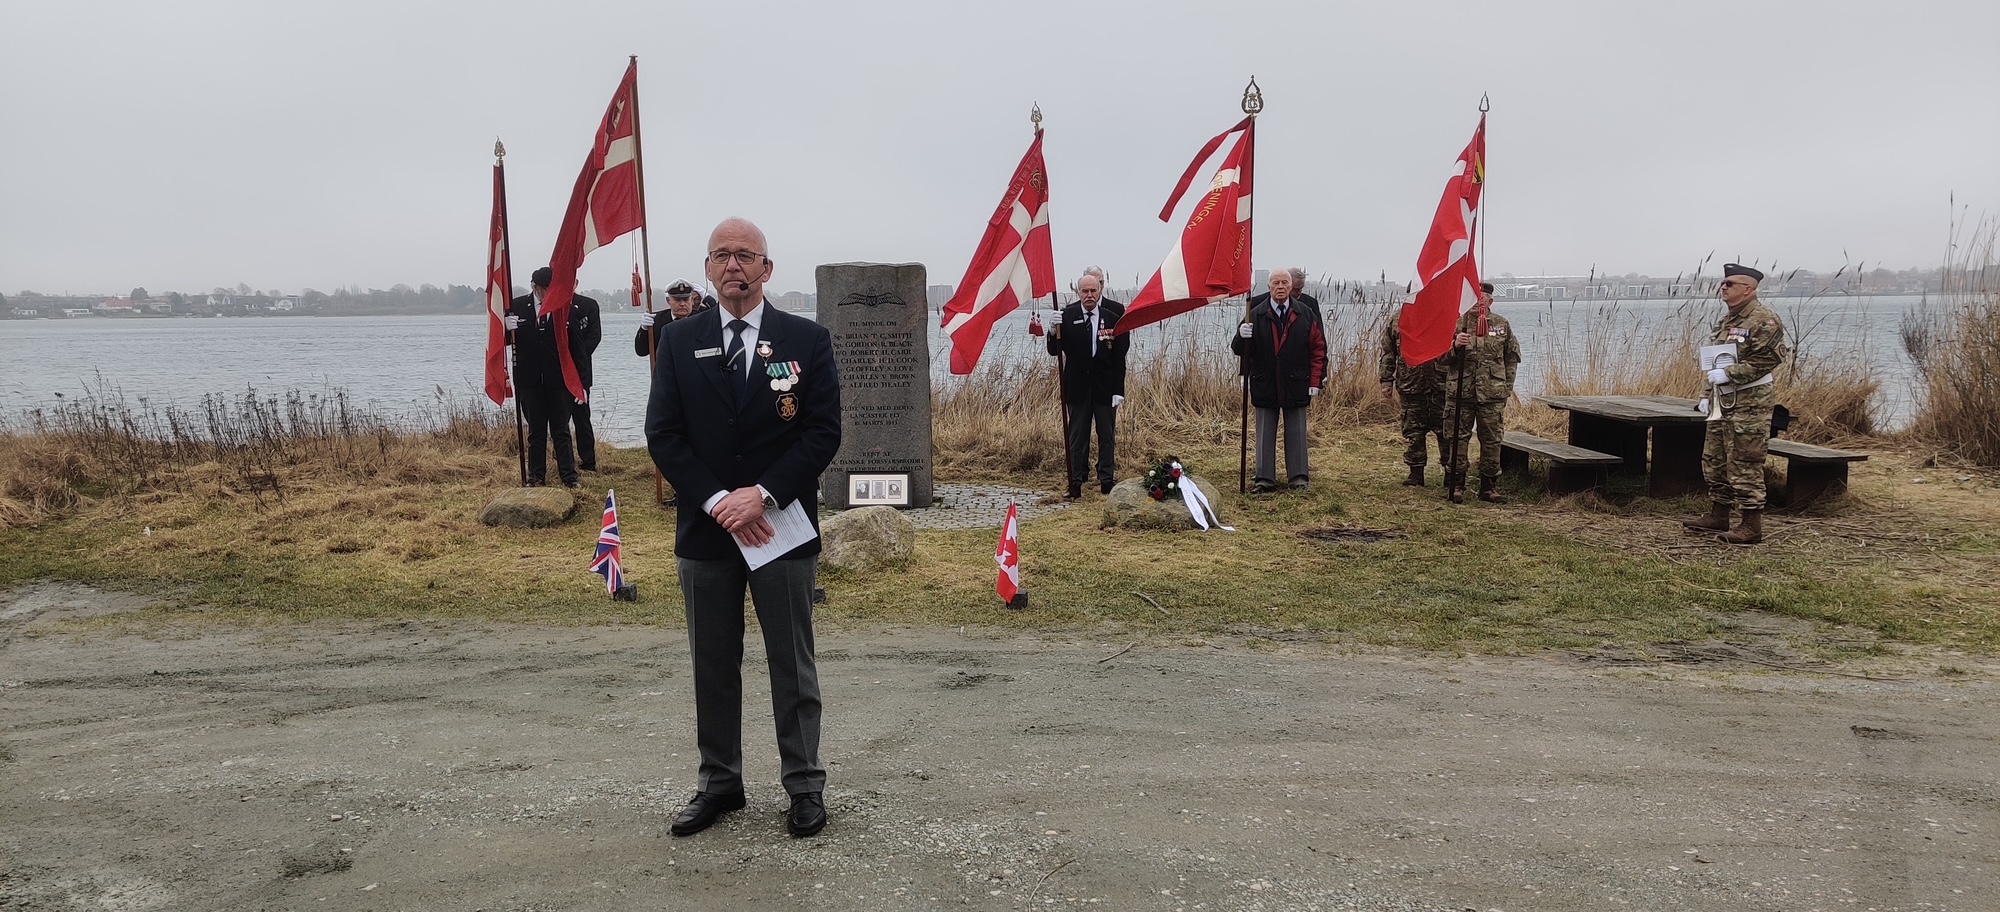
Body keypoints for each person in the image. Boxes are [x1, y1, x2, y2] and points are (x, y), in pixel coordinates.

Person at [645, 218, 841, 839]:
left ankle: (804, 785)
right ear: (707, 269)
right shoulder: (678, 341)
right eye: (722, 255)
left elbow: (822, 432)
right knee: (712, 662)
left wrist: (762, 495)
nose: (733, 265)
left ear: (766, 269)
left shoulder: (807, 340)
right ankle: (719, 783)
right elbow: (664, 435)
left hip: (780, 527)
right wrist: (716, 501)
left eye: (746, 256)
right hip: (707, 532)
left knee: (792, 663)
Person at [1681, 263, 1787, 544]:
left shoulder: (1764, 320)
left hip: (1750, 403)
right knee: (1714, 459)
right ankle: (1719, 514)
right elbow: (1714, 362)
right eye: (1723, 283)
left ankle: (1751, 524)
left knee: (1744, 460)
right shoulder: (1728, 320)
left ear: (1748, 289)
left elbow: (1768, 360)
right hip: (1722, 400)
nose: (1723, 288)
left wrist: (1731, 374)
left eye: (1730, 284)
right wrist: (1706, 394)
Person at [1231, 269, 1326, 493]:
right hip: (1265, 381)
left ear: (1291, 287)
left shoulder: (1305, 314)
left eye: (1284, 283)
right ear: (1269, 287)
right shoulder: (1255, 314)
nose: (1280, 287)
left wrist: (1316, 381)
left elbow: (1318, 349)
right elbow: (1239, 349)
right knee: (1264, 432)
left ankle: (1299, 478)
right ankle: (1264, 479)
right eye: (1276, 283)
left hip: (1296, 381)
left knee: (1297, 431)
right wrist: (1241, 335)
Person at [506, 267, 591, 488]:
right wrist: (506, 330)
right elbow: (503, 341)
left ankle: (569, 476)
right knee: (536, 432)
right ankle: (536, 477)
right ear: (535, 288)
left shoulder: (565, 308)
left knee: (561, 430)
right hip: (529, 380)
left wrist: (582, 383)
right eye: (544, 290)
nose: (548, 294)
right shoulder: (516, 307)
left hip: (559, 380)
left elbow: (578, 349)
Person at [1046, 270, 1128, 498]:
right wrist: (1051, 331)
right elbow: (1054, 351)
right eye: (1085, 291)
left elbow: (1119, 358)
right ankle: (1075, 483)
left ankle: (1107, 480)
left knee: (1107, 436)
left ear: (1100, 291)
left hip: (1105, 388)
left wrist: (1118, 390)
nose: (1089, 295)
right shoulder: (1067, 315)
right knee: (1077, 437)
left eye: (1093, 290)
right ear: (1078, 292)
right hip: (1078, 387)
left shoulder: (1112, 318)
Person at [1440, 282, 1521, 504]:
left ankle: (1489, 487)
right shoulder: (1456, 324)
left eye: (1481, 297)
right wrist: (1454, 346)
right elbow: (1439, 360)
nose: (1477, 301)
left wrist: (1506, 389)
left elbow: (1511, 359)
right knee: (1457, 439)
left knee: (1492, 440)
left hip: (1492, 394)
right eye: (1473, 296)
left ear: (1490, 301)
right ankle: (1457, 484)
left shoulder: (1501, 325)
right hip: (1461, 393)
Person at [1380, 306, 1447, 486]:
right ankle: (1416, 473)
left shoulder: (1442, 314)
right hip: (1410, 384)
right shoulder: (1398, 320)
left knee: (1445, 431)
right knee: (1414, 431)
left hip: (1440, 384)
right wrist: (1386, 380)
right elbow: (1388, 352)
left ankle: (1451, 472)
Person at [634, 278, 715, 358]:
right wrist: (643, 329)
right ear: (668, 300)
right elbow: (641, 351)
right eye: (677, 300)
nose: (682, 304)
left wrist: (706, 297)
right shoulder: (657, 320)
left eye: (686, 299)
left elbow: (717, 313)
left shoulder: (702, 318)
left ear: (691, 300)